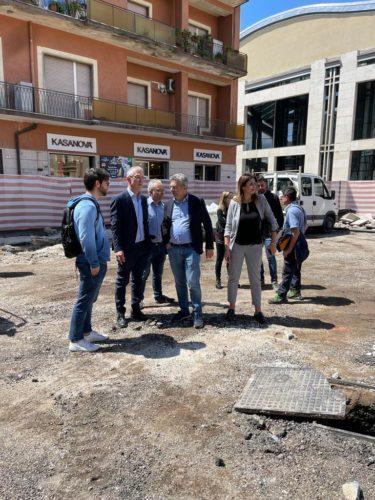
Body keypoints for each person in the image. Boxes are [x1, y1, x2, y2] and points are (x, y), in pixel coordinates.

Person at [224, 174, 278, 324]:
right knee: (233, 278)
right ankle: (232, 307)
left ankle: (258, 311)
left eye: (255, 183)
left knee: (255, 279)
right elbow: (228, 227)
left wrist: (273, 243)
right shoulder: (234, 203)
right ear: (243, 187)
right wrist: (226, 248)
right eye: (251, 184)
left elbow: (273, 221)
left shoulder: (261, 200)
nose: (255, 186)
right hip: (237, 246)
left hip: (255, 246)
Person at [162, 173, 214, 329]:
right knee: (179, 282)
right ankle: (184, 310)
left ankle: (197, 313)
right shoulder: (169, 204)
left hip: (191, 248)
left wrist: (209, 246)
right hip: (174, 250)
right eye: (170, 187)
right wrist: (166, 243)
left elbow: (208, 223)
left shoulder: (196, 201)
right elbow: (165, 224)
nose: (172, 190)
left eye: (175, 187)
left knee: (192, 282)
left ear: (185, 188)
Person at [68, 167, 111, 352]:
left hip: (93, 261)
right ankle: (76, 339)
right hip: (89, 262)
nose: (108, 186)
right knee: (84, 299)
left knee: (89, 299)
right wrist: (94, 262)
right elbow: (86, 237)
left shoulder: (90, 203)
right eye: (107, 182)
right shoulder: (87, 206)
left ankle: (86, 331)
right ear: (97, 183)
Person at [110, 166, 151, 328]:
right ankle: (120, 312)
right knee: (122, 281)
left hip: (142, 247)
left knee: (138, 280)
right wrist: (118, 248)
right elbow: (115, 227)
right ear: (128, 180)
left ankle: (136, 309)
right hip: (126, 249)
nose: (141, 180)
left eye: (142, 177)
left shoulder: (143, 199)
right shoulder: (120, 200)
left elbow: (144, 223)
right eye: (137, 177)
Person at [269, 187, 308, 304]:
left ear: (287, 197)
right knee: (296, 268)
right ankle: (295, 290)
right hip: (299, 242)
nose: (280, 199)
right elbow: (305, 226)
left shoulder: (291, 211)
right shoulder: (299, 208)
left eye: (282, 197)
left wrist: (289, 249)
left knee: (287, 269)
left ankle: (281, 295)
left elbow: (295, 232)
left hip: (294, 244)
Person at [141, 179, 175, 304]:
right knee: (143, 274)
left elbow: (167, 225)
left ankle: (158, 296)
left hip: (161, 246)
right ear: (150, 191)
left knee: (158, 273)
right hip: (147, 246)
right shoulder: (143, 205)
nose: (161, 193)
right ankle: (139, 299)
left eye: (162, 191)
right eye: (158, 190)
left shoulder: (164, 207)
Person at [257, 175, 284, 290]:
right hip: (257, 233)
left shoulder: (273, 197)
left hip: (269, 233)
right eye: (258, 185)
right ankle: (261, 279)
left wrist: (277, 230)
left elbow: (279, 215)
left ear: (266, 185)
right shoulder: (255, 197)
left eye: (262, 185)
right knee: (258, 258)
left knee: (271, 257)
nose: (260, 187)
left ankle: (274, 281)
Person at [215, 191, 234, 289]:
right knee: (219, 259)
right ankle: (218, 280)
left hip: (230, 237)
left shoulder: (233, 209)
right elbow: (224, 224)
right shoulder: (220, 210)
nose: (231, 199)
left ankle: (231, 279)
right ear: (224, 198)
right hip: (220, 237)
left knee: (229, 259)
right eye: (229, 197)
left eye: (232, 197)